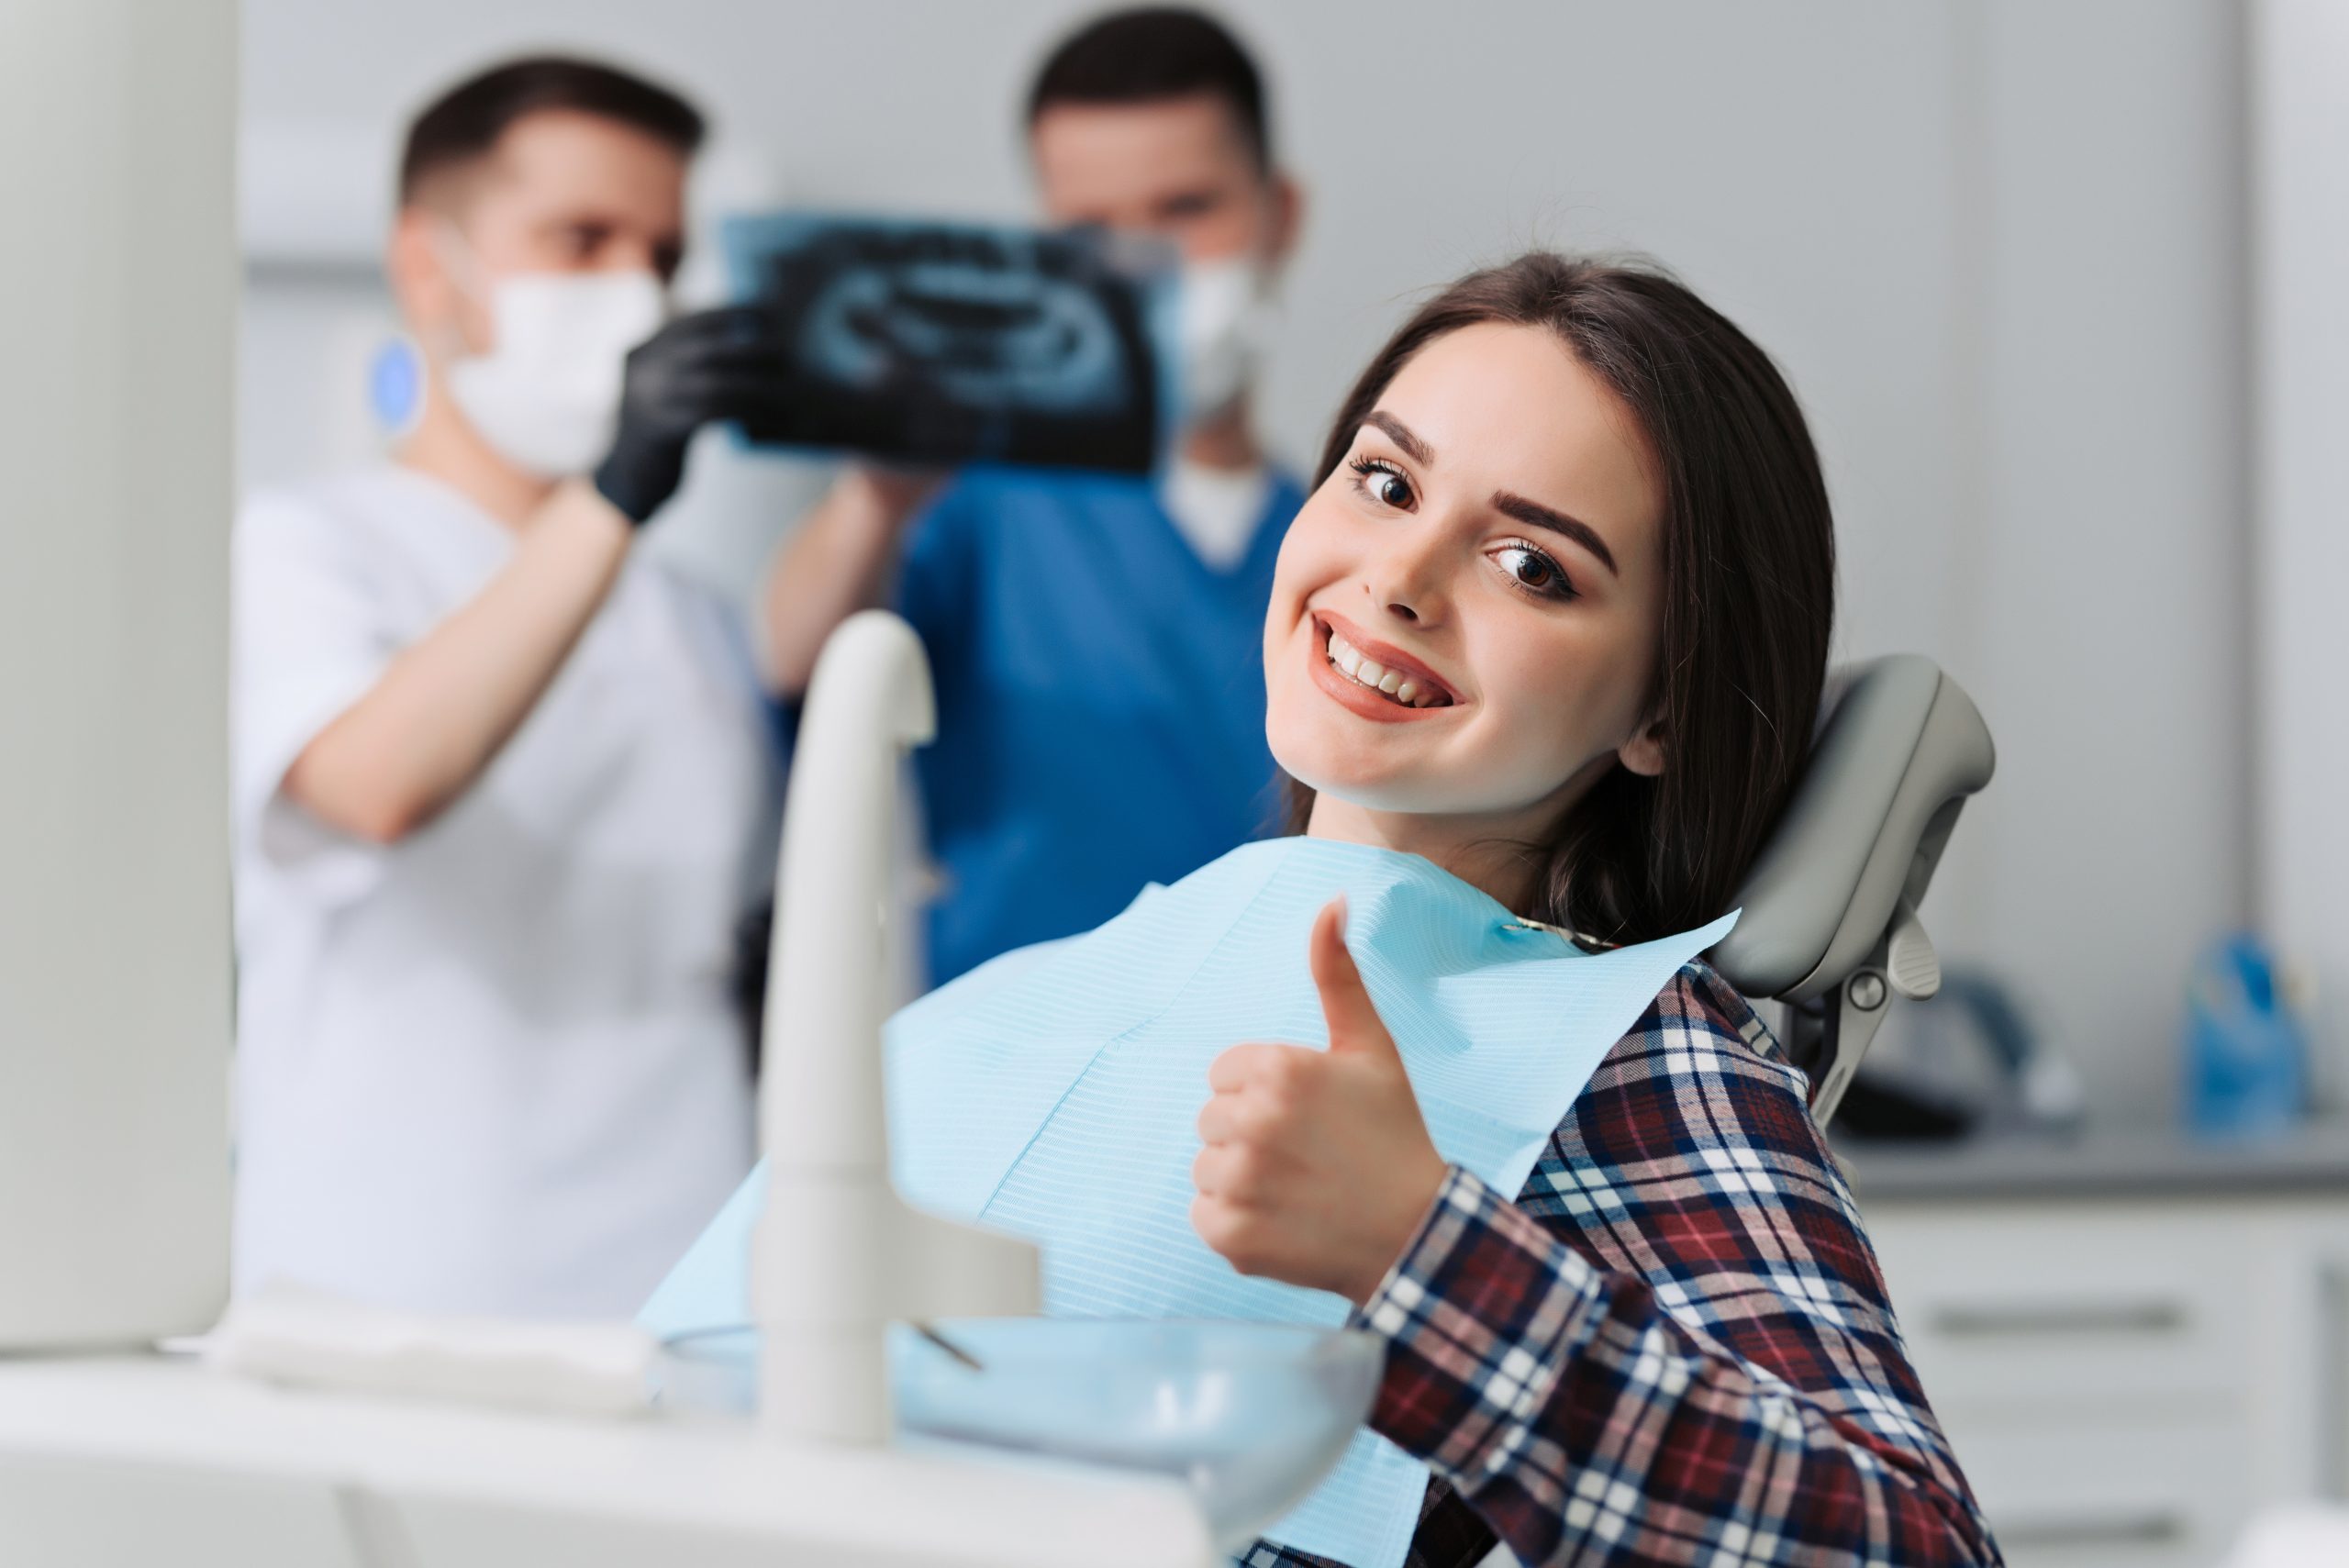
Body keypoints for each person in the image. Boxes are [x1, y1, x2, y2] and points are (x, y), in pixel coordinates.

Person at [651, 254, 1997, 1566]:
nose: (1400, 578)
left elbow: (1915, 1546)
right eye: (1385, 480)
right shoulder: (1040, 990)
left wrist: (1421, 1249)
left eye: (1532, 565)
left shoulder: (1621, 1056)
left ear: (1658, 710)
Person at [231, 57, 802, 1318]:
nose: (635, 295)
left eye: (661, 256)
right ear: (429, 268)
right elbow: (372, 784)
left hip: (675, 1290)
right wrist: (614, 495)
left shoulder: (690, 615)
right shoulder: (308, 548)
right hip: (383, 1296)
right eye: (579, 240)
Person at [763, 6, 1308, 985]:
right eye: (1092, 230)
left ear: (1282, 215)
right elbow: (798, 663)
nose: (1145, 266)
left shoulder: (1345, 540)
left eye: (1186, 207)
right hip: (1010, 1049)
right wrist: (874, 500)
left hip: (1272, 1049)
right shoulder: (973, 499)